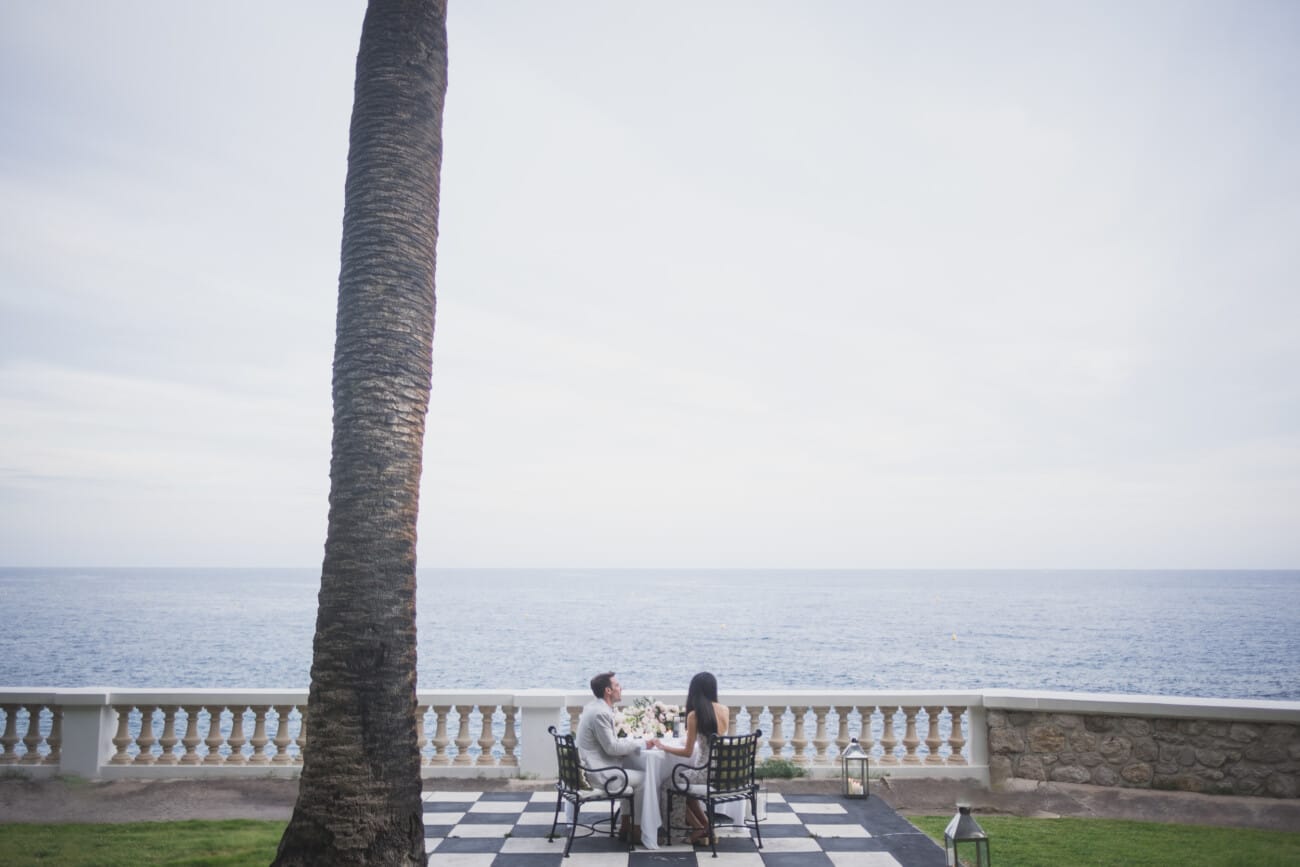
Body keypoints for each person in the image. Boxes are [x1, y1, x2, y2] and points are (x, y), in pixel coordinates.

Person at [656, 671, 729, 845]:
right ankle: (704, 827)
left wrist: (663, 746)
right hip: (720, 771)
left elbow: (688, 752)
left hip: (704, 772)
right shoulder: (724, 710)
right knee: (687, 789)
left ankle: (686, 830)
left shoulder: (695, 715)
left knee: (667, 786)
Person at [575, 671, 647, 840]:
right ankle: (636, 829)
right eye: (616, 685)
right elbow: (612, 748)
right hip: (599, 774)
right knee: (645, 778)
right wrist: (641, 743)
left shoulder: (593, 707)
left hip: (591, 768)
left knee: (630, 772)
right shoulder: (601, 713)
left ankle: (626, 824)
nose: (620, 688)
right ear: (608, 690)